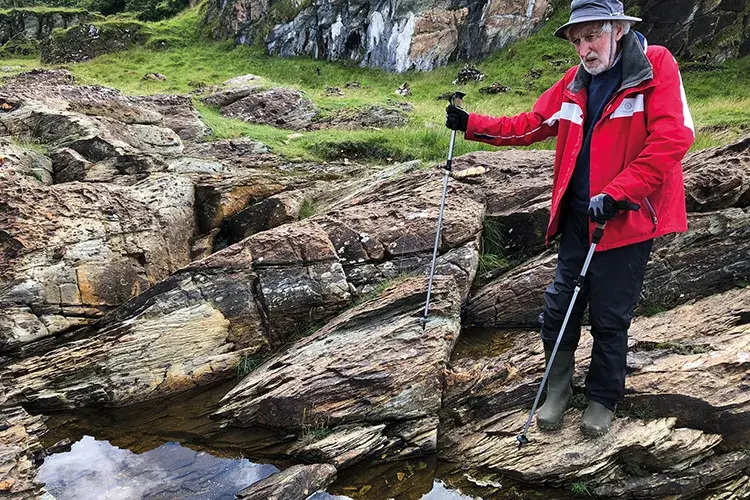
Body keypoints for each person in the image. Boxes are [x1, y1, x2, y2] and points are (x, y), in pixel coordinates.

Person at [446, 0, 694, 436]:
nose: (583, 48)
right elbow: (529, 124)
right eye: (577, 40)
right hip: (579, 218)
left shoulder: (655, 65)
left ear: (617, 29)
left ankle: (602, 398)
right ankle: (558, 388)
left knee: (611, 315)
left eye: (591, 35)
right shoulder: (575, 82)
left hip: (628, 218)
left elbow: (674, 137)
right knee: (559, 307)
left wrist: (619, 192)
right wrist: (471, 124)